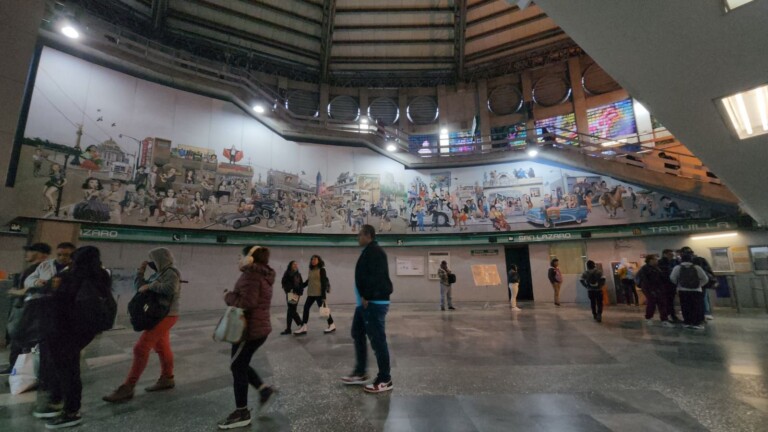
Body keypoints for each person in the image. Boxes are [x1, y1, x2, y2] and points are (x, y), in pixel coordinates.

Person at [43, 246, 112, 429]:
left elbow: (58, 301)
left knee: (67, 370)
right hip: (83, 331)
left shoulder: (72, 276)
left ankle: (70, 411)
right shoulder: (101, 276)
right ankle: (66, 406)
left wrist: (55, 286)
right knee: (69, 369)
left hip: (64, 331)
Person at [103, 248, 181, 403]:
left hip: (167, 315)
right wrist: (140, 272)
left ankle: (128, 387)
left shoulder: (171, 272)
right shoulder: (157, 273)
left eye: (152, 259)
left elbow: (171, 288)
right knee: (162, 347)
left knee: (141, 348)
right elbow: (140, 288)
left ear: (160, 259)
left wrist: (151, 286)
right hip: (157, 315)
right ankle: (167, 378)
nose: (151, 261)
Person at [217, 246, 276, 429]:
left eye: (241, 256)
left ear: (250, 258)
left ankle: (242, 412)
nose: (238, 260)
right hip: (258, 327)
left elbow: (247, 303)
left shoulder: (251, 275)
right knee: (240, 364)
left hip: (248, 329)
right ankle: (264, 390)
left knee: (237, 366)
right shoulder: (262, 274)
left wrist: (228, 296)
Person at [25, 242, 76, 419]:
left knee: (62, 361)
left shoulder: (76, 270)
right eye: (60, 254)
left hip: (64, 320)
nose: (63, 258)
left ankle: (58, 395)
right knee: (47, 353)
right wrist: (37, 282)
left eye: (67, 255)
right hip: (45, 313)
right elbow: (29, 279)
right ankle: (50, 388)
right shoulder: (45, 266)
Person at [341, 225, 393, 393]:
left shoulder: (375, 252)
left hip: (373, 303)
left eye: (359, 235)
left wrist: (367, 296)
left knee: (377, 340)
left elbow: (378, 277)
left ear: (368, 235)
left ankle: (385, 379)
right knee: (357, 332)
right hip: (364, 304)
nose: (358, 238)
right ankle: (361, 372)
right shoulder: (368, 251)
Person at [1, 243, 51, 376]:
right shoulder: (32, 269)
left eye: (30, 251)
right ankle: (15, 367)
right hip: (24, 309)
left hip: (32, 312)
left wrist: (19, 292)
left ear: (41, 254)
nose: (27, 254)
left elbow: (40, 288)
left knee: (25, 340)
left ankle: (25, 371)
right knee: (18, 339)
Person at [294, 255, 335, 335]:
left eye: (315, 259)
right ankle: (304, 326)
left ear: (319, 260)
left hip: (319, 294)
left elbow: (323, 283)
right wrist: (300, 286)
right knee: (306, 308)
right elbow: (308, 281)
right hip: (311, 293)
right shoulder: (311, 270)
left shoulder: (322, 269)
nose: (313, 260)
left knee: (324, 310)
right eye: (312, 259)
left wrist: (323, 296)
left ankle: (331, 324)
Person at [670, 252, 709, 330]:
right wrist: (699, 285)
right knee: (696, 306)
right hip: (696, 290)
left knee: (685, 307)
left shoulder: (677, 268)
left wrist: (679, 284)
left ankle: (687, 322)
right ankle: (696, 323)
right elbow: (705, 279)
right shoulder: (697, 267)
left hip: (683, 290)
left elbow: (672, 278)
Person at [681, 246, 717, 321]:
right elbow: (708, 271)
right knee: (702, 298)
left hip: (688, 285)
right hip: (699, 283)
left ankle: (699, 315)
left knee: (695, 300)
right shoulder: (700, 259)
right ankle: (704, 314)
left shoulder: (683, 262)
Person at [636, 255, 673, 326]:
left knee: (662, 303)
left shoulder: (657, 268)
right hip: (649, 289)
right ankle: (648, 318)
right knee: (651, 303)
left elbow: (661, 278)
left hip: (659, 288)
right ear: (650, 260)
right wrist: (651, 290)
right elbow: (645, 280)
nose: (657, 260)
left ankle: (664, 319)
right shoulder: (645, 269)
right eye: (655, 259)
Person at [280, 261, 304, 335]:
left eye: (296, 264)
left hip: (296, 294)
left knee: (291, 311)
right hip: (291, 293)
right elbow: (283, 282)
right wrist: (289, 289)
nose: (295, 265)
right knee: (291, 310)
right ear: (290, 265)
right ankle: (301, 324)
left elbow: (301, 284)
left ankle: (289, 329)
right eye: (294, 264)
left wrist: (300, 292)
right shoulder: (287, 273)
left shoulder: (298, 274)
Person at [658, 249, 681, 322]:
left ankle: (672, 315)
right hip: (664, 285)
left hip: (673, 284)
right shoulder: (661, 263)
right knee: (666, 301)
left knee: (671, 301)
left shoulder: (675, 262)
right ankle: (667, 316)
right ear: (665, 254)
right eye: (670, 254)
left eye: (672, 254)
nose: (672, 256)